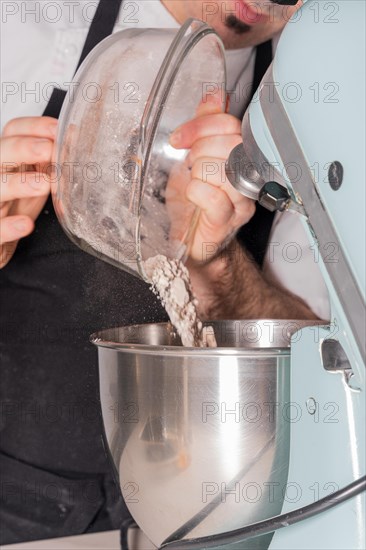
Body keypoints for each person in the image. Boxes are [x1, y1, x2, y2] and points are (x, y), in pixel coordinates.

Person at [0, 0, 321, 544]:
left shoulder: (309, 104)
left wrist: (213, 262)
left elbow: (309, 345)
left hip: (204, 510)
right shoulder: (25, 32)